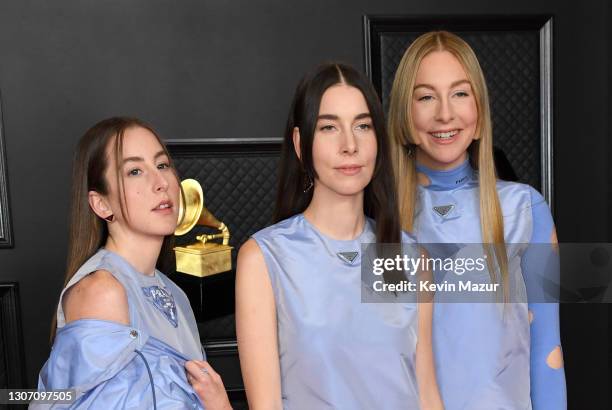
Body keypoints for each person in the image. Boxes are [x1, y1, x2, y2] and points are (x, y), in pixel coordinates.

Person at [235, 63, 442, 409]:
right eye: (329, 127)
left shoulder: (411, 259)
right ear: (301, 145)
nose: (350, 145)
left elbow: (427, 395)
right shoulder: (264, 259)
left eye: (362, 126)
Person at [388, 31, 566, 409]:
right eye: (425, 96)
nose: (445, 113)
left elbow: (547, 349)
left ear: (480, 111)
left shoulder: (525, 210)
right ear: (405, 113)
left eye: (459, 93)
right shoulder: (380, 221)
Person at [33, 117, 231, 409]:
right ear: (101, 204)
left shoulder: (175, 294)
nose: (161, 183)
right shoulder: (102, 292)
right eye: (135, 171)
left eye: (162, 165)